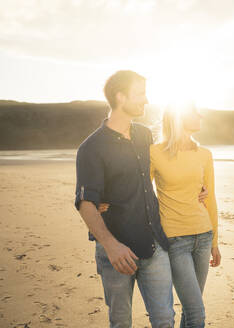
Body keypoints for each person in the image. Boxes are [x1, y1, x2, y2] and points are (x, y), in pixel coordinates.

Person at [75, 70, 208, 327]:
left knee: (164, 320)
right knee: (121, 322)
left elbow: (168, 168)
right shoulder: (91, 148)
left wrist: (197, 188)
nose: (146, 101)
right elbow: (85, 203)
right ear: (120, 97)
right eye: (140, 94)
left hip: (153, 245)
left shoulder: (144, 136)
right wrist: (111, 246)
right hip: (116, 253)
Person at [150, 103, 221, 328]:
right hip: (175, 239)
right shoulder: (154, 153)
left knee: (191, 310)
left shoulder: (204, 154)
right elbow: (140, 191)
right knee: (196, 312)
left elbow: (210, 198)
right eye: (193, 112)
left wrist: (215, 242)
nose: (200, 115)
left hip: (204, 236)